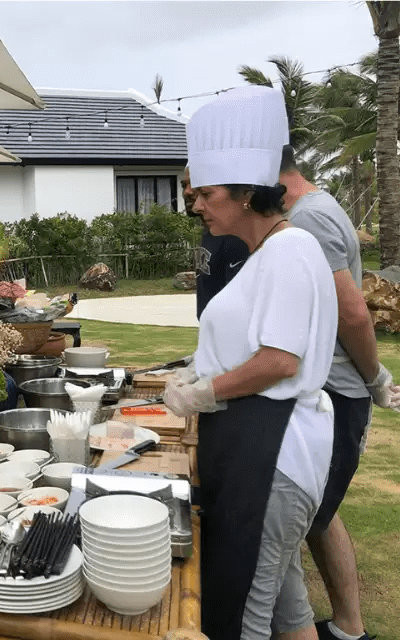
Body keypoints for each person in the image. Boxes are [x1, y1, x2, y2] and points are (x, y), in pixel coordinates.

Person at [163, 86, 336, 640]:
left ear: (244, 194)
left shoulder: (290, 250)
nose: (195, 204)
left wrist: (202, 392)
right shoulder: (268, 253)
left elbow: (279, 361)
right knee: (287, 608)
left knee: (242, 614)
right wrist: (200, 367)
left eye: (205, 193)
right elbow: (252, 345)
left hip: (273, 451)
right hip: (253, 442)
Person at [278, 145, 400, 640]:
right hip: (329, 393)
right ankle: (349, 628)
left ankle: (308, 629)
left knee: (297, 519)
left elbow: (352, 313)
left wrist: (376, 382)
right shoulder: (312, 210)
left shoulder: (308, 220)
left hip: (334, 395)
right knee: (318, 514)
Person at [182, 166, 250, 318]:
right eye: (183, 185)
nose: (187, 192)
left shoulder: (235, 237)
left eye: (194, 186)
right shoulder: (210, 230)